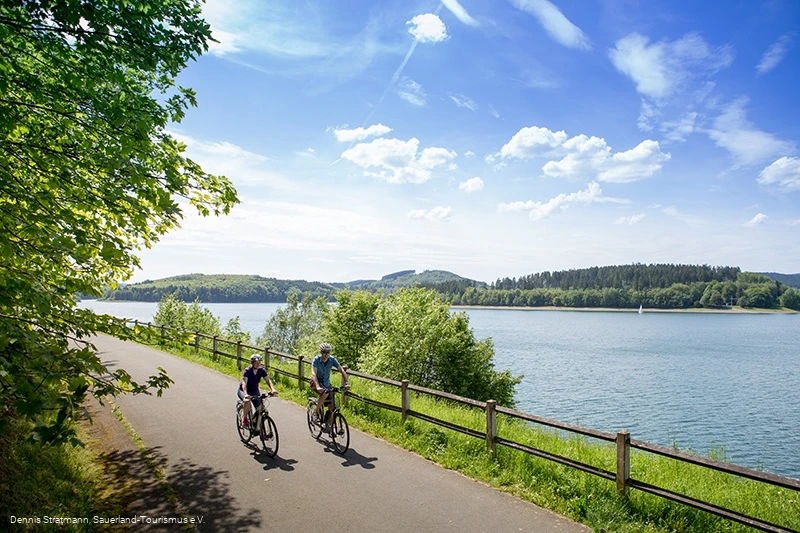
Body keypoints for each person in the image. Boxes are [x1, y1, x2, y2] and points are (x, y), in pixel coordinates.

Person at [310, 343, 348, 430]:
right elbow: (313, 374)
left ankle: (328, 425)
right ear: (321, 352)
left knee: (332, 406)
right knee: (325, 393)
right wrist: (317, 386)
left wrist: (346, 383)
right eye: (324, 352)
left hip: (326, 384)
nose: (326, 354)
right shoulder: (316, 360)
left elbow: (342, 370)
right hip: (316, 382)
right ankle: (316, 412)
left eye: (328, 352)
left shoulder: (332, 360)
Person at [238, 353, 278, 427]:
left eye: (259, 362)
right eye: (256, 362)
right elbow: (244, 383)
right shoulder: (247, 371)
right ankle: (245, 419)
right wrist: (246, 394)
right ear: (252, 363)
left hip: (254, 390)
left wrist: (273, 389)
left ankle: (256, 425)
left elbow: (268, 380)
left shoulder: (261, 370)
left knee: (260, 409)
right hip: (244, 390)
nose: (258, 364)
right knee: (247, 402)